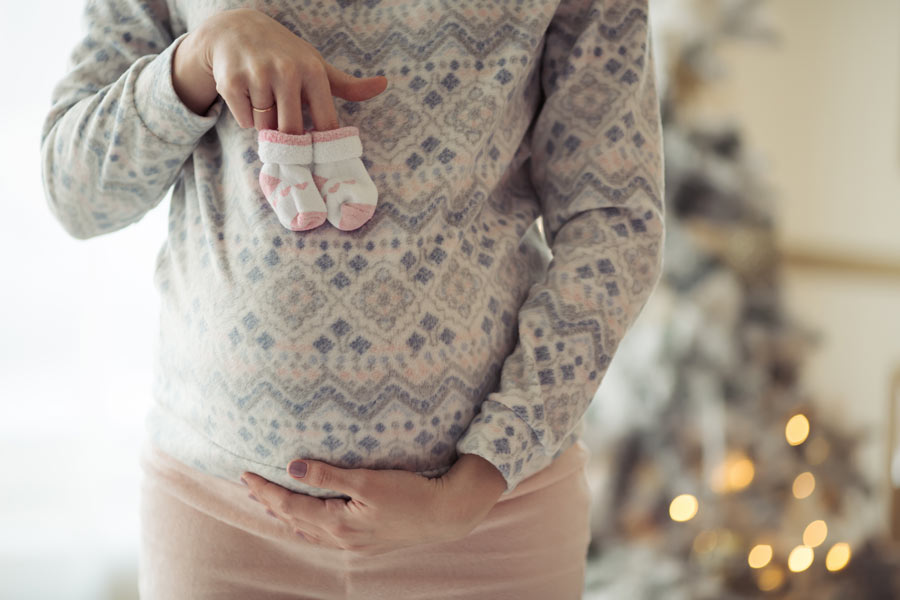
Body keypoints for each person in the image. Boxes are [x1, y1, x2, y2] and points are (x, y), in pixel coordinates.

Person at [39, 0, 665, 597]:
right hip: (221, 526)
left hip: (494, 528)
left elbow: (614, 219)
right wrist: (195, 61)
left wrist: (478, 481)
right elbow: (78, 194)